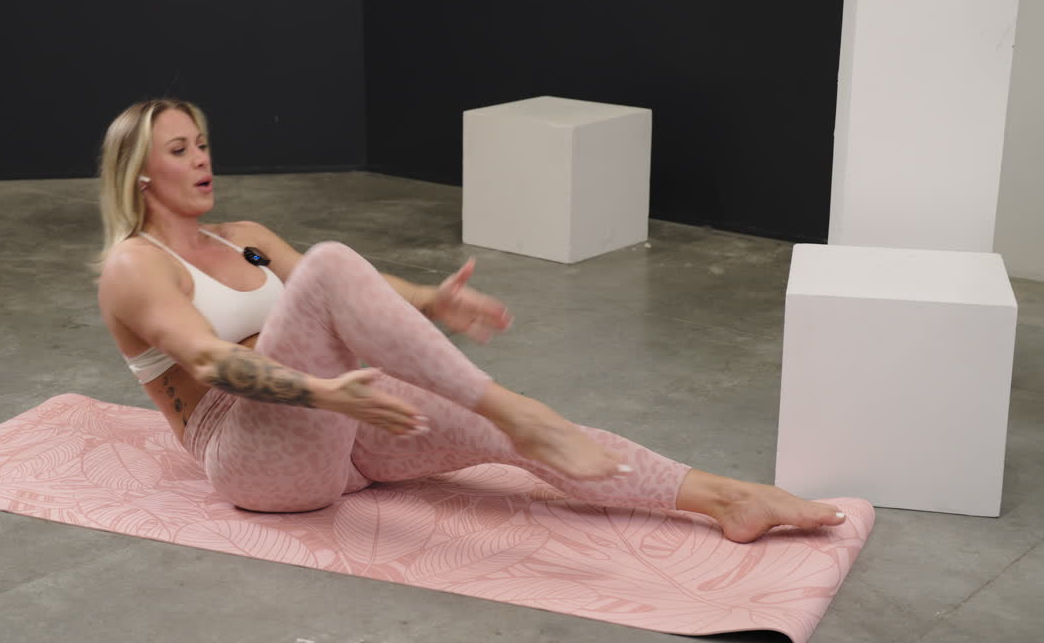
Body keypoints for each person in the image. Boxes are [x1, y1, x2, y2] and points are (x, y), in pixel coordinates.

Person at [95, 98, 847, 544]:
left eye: (204, 145)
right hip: (253, 455)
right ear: (139, 171)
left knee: (514, 440)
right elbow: (210, 360)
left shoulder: (243, 234)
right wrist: (328, 397)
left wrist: (427, 300)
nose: (202, 160)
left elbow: (354, 290)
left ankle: (726, 499)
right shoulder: (135, 264)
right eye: (180, 149)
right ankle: (511, 407)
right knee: (326, 265)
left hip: (345, 430)